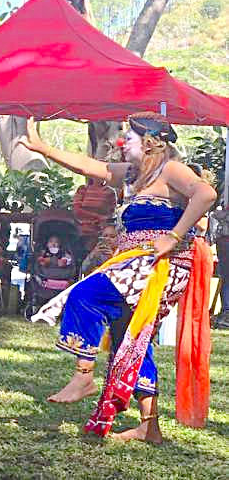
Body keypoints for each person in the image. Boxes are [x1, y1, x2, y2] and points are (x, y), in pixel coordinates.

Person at [22, 113, 216, 442]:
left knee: (85, 294)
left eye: (130, 136)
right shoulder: (132, 175)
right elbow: (89, 166)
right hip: (136, 262)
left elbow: (206, 194)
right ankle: (149, 426)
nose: (122, 142)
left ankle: (84, 375)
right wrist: (43, 148)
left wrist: (173, 235)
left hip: (161, 265)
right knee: (131, 335)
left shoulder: (170, 169)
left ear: (151, 142)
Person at [73, 177, 118, 255]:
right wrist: (97, 217)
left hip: (100, 231)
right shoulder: (83, 189)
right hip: (81, 230)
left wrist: (103, 222)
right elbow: (77, 210)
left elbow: (111, 212)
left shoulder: (109, 191)